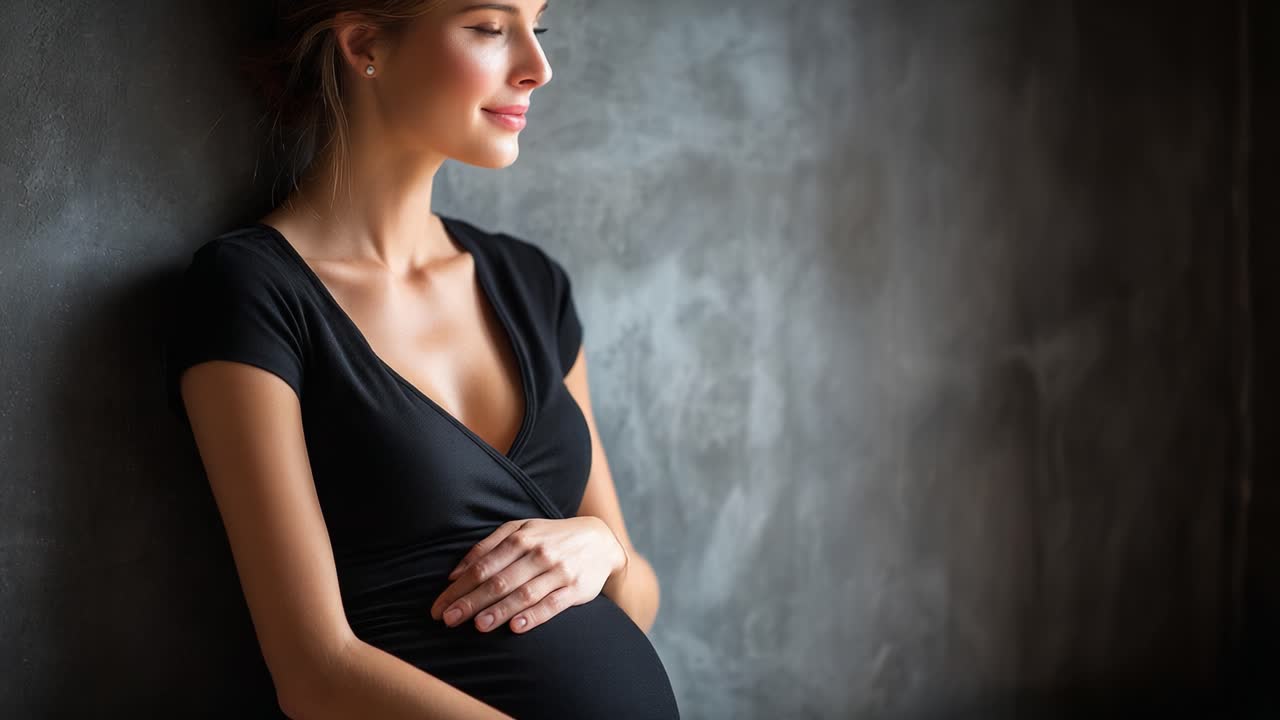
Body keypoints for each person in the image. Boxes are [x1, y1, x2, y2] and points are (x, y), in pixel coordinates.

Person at [161, 2, 680, 718]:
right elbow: (315, 672)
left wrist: (601, 547)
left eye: (540, 28)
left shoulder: (534, 287)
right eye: (491, 29)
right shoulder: (252, 292)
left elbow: (637, 596)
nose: (539, 66)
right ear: (366, 44)